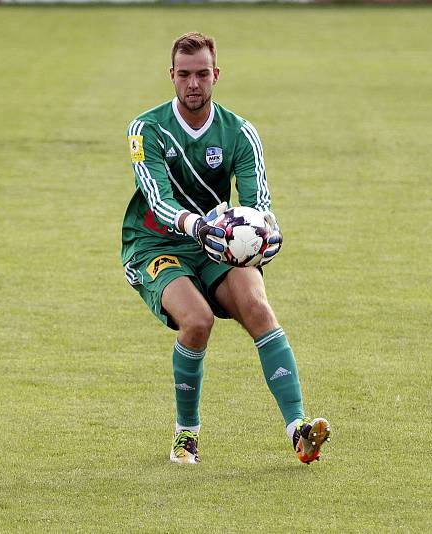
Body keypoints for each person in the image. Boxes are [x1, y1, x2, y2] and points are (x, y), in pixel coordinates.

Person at [121, 32, 330, 465]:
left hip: (218, 242)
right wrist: (199, 226)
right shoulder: (146, 129)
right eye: (184, 75)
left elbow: (258, 203)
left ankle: (298, 430)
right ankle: (186, 435)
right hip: (157, 242)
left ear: (216, 75)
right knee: (196, 322)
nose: (193, 83)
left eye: (202, 74)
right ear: (171, 76)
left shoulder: (240, 132)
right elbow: (158, 200)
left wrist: (264, 231)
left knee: (258, 307)